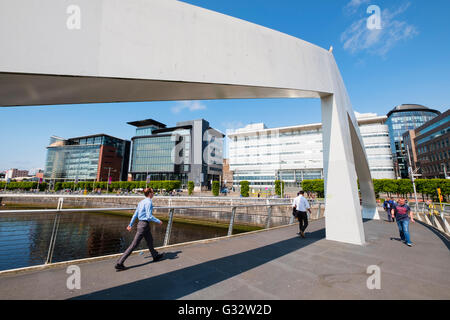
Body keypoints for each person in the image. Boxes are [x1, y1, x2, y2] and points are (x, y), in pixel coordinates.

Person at [115, 188, 164, 271]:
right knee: (134, 244)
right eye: (153, 192)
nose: (154, 193)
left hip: (143, 224)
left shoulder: (141, 202)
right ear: (149, 193)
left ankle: (155, 256)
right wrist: (158, 221)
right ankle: (119, 263)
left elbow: (135, 215)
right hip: (144, 225)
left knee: (150, 241)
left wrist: (130, 224)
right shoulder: (149, 202)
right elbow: (149, 216)